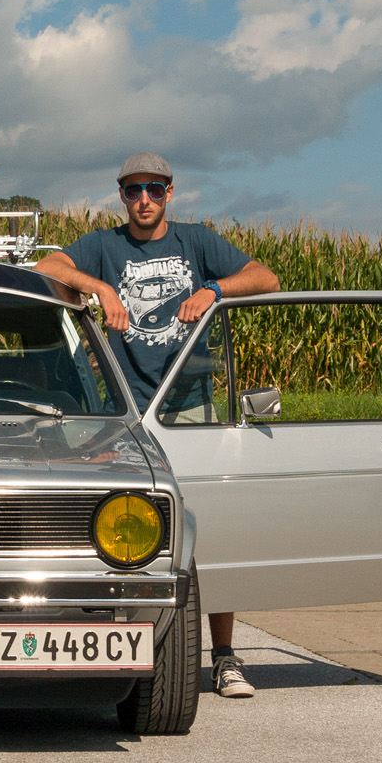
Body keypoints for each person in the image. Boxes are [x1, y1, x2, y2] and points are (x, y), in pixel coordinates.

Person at [34, 152, 281, 699]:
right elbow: (45, 270)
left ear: (170, 192)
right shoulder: (104, 244)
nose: (143, 199)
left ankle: (223, 656)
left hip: (187, 406)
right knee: (120, 529)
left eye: (154, 189)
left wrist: (212, 291)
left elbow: (265, 277)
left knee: (204, 533)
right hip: (122, 411)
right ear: (121, 195)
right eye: (132, 190)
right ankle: (111, 642)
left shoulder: (196, 242)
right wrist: (98, 288)